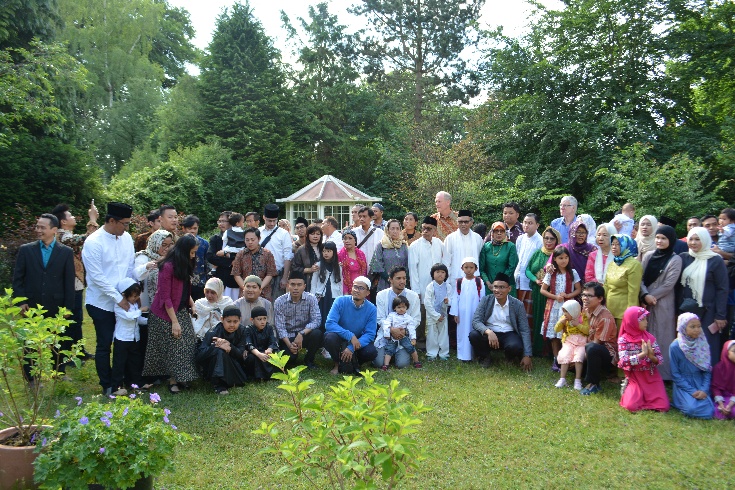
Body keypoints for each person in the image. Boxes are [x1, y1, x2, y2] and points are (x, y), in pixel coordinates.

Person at [12, 213, 76, 379]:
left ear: (54, 230)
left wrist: (68, 306)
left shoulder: (65, 252)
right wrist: (21, 301)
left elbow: (69, 282)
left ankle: (59, 372)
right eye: (37, 226)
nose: (38, 230)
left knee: (58, 340)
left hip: (56, 303)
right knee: (30, 342)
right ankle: (31, 378)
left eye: (42, 227)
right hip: (31, 305)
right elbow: (18, 279)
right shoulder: (26, 250)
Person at [82, 202, 136, 396]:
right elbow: (96, 277)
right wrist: (117, 298)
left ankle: (121, 380)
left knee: (123, 342)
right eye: (125, 223)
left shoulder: (127, 238)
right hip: (101, 302)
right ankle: (107, 385)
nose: (127, 228)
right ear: (112, 220)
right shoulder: (94, 242)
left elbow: (130, 267)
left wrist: (130, 294)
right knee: (105, 343)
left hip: (123, 300)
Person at [144, 234, 199, 394]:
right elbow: (165, 296)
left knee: (188, 341)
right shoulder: (167, 266)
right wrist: (174, 322)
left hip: (179, 309)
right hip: (164, 313)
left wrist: (192, 303)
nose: (193, 256)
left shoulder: (184, 263)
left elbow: (183, 289)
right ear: (183, 250)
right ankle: (173, 380)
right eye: (192, 252)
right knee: (175, 345)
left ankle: (182, 377)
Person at [51, 202, 99, 361]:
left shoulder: (63, 235)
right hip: (69, 284)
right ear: (63, 221)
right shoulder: (61, 235)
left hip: (75, 283)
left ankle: (78, 352)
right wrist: (92, 218)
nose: (73, 217)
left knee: (76, 318)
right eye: (70, 215)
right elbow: (87, 238)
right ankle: (69, 355)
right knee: (71, 319)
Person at [677, 227, 729, 363]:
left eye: (697, 239)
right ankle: (690, 377)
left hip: (709, 311)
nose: (693, 243)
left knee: (707, 342)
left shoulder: (715, 260)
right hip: (687, 309)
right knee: (687, 341)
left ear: (705, 240)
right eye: (691, 239)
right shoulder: (684, 257)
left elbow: (722, 289)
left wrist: (720, 315)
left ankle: (707, 378)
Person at [640, 225, 683, 380]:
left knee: (663, 337)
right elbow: (641, 278)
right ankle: (645, 369)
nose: (659, 241)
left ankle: (663, 374)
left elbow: (668, 285)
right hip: (646, 302)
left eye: (663, 238)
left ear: (671, 241)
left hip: (664, 303)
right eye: (657, 237)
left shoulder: (675, 259)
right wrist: (645, 295)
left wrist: (651, 296)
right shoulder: (649, 255)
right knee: (646, 334)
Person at [469, 272, 533, 370]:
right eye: (495, 287)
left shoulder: (517, 304)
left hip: (509, 333)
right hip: (490, 333)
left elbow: (524, 329)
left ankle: (509, 358)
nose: (497, 290)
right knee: (474, 335)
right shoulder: (486, 300)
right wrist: (488, 331)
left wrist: (527, 355)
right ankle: (485, 357)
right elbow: (476, 321)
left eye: (502, 287)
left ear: (509, 289)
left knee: (515, 346)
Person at [618, 306, 670, 412]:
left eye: (646, 319)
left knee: (663, 406)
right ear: (632, 321)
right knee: (630, 406)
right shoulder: (623, 340)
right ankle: (634, 395)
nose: (646, 322)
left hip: (651, 377)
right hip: (634, 378)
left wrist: (651, 357)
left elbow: (659, 359)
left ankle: (645, 401)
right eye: (642, 319)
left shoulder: (650, 338)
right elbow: (623, 361)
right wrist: (642, 355)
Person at [324, 276, 378, 374]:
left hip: (357, 341)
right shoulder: (340, 301)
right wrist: (350, 335)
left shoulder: (372, 309)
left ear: (368, 292)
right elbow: (330, 324)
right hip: (339, 337)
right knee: (330, 337)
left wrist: (351, 348)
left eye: (361, 288)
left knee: (371, 352)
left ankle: (354, 362)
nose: (357, 290)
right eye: (355, 287)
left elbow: (370, 334)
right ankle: (337, 363)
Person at [540, 246, 581, 370]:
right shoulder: (551, 273)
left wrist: (568, 295)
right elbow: (543, 290)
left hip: (569, 307)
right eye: (560, 258)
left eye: (566, 257)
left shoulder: (573, 273)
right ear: (555, 260)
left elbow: (579, 289)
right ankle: (556, 359)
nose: (563, 260)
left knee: (567, 333)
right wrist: (555, 296)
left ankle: (566, 359)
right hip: (554, 307)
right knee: (554, 335)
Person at [372, 266, 421, 368]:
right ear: (390, 279)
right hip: (387, 334)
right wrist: (391, 329)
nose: (402, 281)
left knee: (402, 364)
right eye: (398, 278)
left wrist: (405, 331)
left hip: (404, 336)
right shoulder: (381, 295)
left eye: (404, 278)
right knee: (378, 363)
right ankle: (389, 353)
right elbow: (380, 318)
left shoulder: (413, 296)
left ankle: (396, 354)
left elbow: (416, 319)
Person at [274, 271, 323, 369]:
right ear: (288, 285)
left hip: (305, 334)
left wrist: (301, 333)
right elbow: (280, 327)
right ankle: (292, 352)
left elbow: (317, 320)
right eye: (293, 284)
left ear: (304, 286)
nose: (296, 288)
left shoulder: (311, 298)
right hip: (288, 336)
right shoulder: (279, 301)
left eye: (299, 285)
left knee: (317, 334)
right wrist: (289, 344)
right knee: (289, 360)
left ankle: (309, 360)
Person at [670, 313, 715, 419]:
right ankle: (680, 402)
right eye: (692, 326)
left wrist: (704, 389)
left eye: (699, 326)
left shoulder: (702, 344)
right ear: (683, 327)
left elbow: (707, 370)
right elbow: (675, 374)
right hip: (684, 384)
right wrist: (692, 391)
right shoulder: (675, 347)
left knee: (710, 411)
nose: (697, 330)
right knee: (691, 409)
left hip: (700, 382)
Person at [408, 216, 446, 339]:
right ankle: (419, 339)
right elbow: (412, 270)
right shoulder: (415, 245)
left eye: (429, 229)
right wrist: (416, 290)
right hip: (422, 285)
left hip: (437, 285)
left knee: (437, 310)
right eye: (423, 228)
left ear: (434, 230)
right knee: (421, 313)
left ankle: (436, 337)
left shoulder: (439, 243)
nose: (425, 231)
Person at [196, 305, 248, 394]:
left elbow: (240, 355)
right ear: (222, 319)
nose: (232, 325)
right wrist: (216, 346)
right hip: (212, 368)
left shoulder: (242, 330)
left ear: (240, 320)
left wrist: (229, 346)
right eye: (228, 321)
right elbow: (199, 357)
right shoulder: (213, 332)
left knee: (223, 352)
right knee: (219, 351)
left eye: (235, 321)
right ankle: (219, 385)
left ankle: (228, 381)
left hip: (233, 365)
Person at [525, 227, 561, 356]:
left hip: (551, 293)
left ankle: (550, 351)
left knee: (550, 320)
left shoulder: (559, 255)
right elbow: (527, 270)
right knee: (537, 318)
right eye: (546, 238)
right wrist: (535, 280)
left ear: (557, 240)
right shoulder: (537, 253)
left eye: (552, 238)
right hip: (537, 291)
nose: (548, 241)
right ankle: (537, 348)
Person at [580, 282, 618, 395]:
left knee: (592, 348)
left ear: (600, 298)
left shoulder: (604, 317)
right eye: (583, 295)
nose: (585, 298)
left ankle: (594, 384)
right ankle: (585, 372)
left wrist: (578, 357)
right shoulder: (586, 309)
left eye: (589, 296)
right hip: (588, 348)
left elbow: (597, 343)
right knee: (559, 360)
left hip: (606, 355)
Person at [111, 278, 145, 395]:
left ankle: (136, 383)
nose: (136, 299)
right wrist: (141, 310)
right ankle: (116, 387)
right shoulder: (119, 306)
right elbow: (129, 317)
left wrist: (149, 321)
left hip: (134, 338)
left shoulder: (134, 305)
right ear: (125, 295)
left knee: (135, 362)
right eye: (134, 296)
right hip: (122, 338)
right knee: (119, 363)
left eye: (137, 296)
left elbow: (138, 319)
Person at [450, 257, 486, 361]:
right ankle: (463, 355)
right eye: (466, 267)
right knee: (462, 333)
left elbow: (482, 298)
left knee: (474, 332)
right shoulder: (459, 282)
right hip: (462, 314)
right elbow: (455, 298)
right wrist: (455, 314)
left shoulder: (479, 281)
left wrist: (481, 314)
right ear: (462, 268)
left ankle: (475, 355)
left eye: (471, 267)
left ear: (476, 268)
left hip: (475, 313)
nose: (469, 269)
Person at [605, 235, 642, 326]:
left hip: (624, 311)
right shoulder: (612, 263)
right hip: (610, 308)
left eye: (618, 244)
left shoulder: (634, 265)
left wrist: (630, 314)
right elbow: (606, 285)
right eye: (612, 244)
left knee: (622, 338)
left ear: (626, 245)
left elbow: (633, 291)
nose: (614, 247)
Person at [259, 204, 294, 301]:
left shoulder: (284, 233)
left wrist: (284, 278)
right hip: (261, 275)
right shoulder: (258, 232)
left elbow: (288, 256)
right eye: (269, 220)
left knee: (277, 304)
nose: (272, 223)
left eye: (274, 220)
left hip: (278, 275)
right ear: (264, 217)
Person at [232, 227, 278, 299]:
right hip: (245, 293)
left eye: (252, 240)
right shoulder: (240, 254)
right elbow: (236, 274)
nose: (250, 242)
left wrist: (259, 288)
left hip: (263, 293)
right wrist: (246, 288)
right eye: (247, 240)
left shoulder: (267, 254)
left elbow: (270, 274)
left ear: (259, 239)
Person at [553, 300, 589, 390]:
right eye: (564, 311)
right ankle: (562, 379)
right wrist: (560, 322)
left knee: (579, 357)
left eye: (566, 311)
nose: (564, 314)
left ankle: (577, 380)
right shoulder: (565, 319)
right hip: (569, 342)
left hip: (581, 343)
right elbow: (556, 329)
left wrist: (578, 325)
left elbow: (587, 330)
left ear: (574, 311)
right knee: (565, 355)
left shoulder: (582, 318)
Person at [514, 213, 542, 325]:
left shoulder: (540, 241)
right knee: (516, 314)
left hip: (530, 282)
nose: (526, 225)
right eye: (525, 222)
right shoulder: (520, 239)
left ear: (537, 225)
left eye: (530, 223)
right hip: (518, 280)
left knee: (527, 316)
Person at [380, 296, 422, 370]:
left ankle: (416, 361)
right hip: (393, 338)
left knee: (411, 348)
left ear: (406, 308)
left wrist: (413, 338)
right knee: (389, 349)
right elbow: (386, 324)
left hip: (404, 337)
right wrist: (387, 334)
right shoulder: (391, 315)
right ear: (394, 308)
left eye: (403, 307)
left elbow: (411, 328)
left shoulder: (408, 318)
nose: (401, 309)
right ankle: (386, 365)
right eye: (399, 307)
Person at [207, 211, 240, 302]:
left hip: (234, 279)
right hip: (220, 277)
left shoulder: (239, 238)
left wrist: (226, 255)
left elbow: (240, 256)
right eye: (219, 221)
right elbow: (210, 256)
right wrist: (229, 261)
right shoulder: (216, 239)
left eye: (223, 221)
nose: (221, 224)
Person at [479, 222, 519, 296]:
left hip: (506, 285)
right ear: (492, 233)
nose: (499, 233)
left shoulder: (510, 246)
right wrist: (488, 283)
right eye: (496, 231)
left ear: (505, 233)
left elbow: (511, 267)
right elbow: (481, 269)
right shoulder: (486, 247)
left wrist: (499, 283)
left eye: (502, 231)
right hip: (489, 287)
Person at [444, 210, 483, 285]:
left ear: (471, 222)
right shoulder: (450, 238)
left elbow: (481, 259)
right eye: (460, 222)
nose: (463, 224)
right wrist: (447, 280)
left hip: (474, 278)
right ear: (457, 222)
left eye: (466, 222)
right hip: (455, 278)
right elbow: (446, 261)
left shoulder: (478, 238)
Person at [370, 219, 409, 292]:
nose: (395, 231)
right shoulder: (381, 245)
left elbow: (407, 264)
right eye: (392, 228)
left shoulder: (403, 245)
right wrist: (391, 280)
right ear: (387, 230)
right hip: (385, 283)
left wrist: (401, 279)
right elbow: (377, 265)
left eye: (397, 229)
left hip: (401, 283)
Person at [425, 263, 453, 361]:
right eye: (437, 272)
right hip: (432, 315)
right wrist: (435, 315)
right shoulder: (430, 286)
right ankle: (432, 353)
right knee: (432, 334)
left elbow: (451, 300)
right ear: (433, 274)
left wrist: (448, 301)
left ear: (446, 275)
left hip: (443, 314)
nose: (440, 274)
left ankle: (444, 353)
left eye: (442, 272)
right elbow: (427, 302)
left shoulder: (448, 286)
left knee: (443, 334)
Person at [311, 241, 342, 331]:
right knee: (322, 314)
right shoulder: (318, 265)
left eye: (329, 251)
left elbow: (340, 283)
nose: (326, 253)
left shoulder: (338, 266)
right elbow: (314, 283)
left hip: (334, 295)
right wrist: (313, 297)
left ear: (334, 252)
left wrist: (341, 296)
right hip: (321, 295)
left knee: (332, 315)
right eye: (324, 251)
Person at [243, 306, 279, 381]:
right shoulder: (248, 329)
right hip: (255, 352)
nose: (262, 322)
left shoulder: (269, 328)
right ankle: (257, 376)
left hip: (266, 351)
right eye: (259, 319)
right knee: (251, 358)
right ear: (252, 320)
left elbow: (272, 340)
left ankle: (273, 375)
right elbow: (249, 344)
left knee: (277, 353)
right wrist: (259, 354)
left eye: (264, 318)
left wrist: (269, 349)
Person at [182, 215, 209, 301]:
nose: (193, 231)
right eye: (190, 228)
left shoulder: (204, 244)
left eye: (195, 228)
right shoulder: (179, 243)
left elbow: (207, 262)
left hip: (200, 282)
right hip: (183, 280)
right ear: (184, 228)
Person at [292, 224, 323, 292]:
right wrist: (309, 270)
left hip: (322, 283)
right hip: (307, 282)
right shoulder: (301, 250)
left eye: (318, 234)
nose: (315, 236)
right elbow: (294, 268)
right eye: (312, 234)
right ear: (307, 235)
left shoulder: (324, 248)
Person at [711, 340, 735, 419]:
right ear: (726, 352)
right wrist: (721, 403)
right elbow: (715, 387)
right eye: (734, 351)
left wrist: (730, 405)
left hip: (733, 399)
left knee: (732, 410)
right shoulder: (719, 368)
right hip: (722, 398)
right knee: (717, 411)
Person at [338, 230, 367, 294]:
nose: (347, 241)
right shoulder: (340, 255)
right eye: (345, 239)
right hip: (346, 289)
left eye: (350, 238)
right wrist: (345, 292)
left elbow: (364, 272)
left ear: (355, 240)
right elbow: (341, 276)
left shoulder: (361, 254)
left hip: (361, 288)